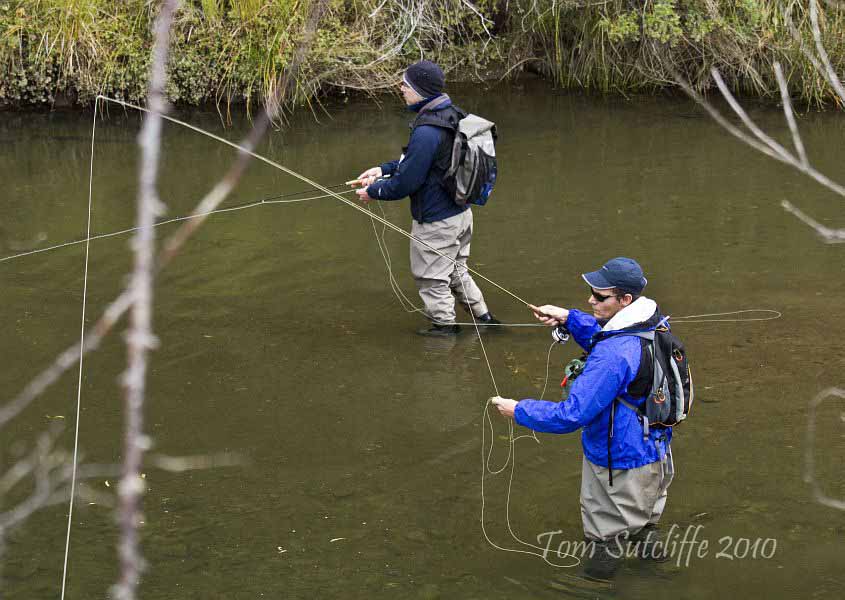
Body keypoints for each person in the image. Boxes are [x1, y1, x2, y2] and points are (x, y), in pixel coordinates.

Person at [492, 257, 674, 578]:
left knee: (603, 539)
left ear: (625, 300)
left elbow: (572, 415)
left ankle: (596, 584)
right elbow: (610, 338)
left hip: (617, 461)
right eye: (591, 292)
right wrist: (568, 318)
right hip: (657, 451)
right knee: (645, 522)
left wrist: (518, 410)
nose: (590, 299)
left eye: (600, 296)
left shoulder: (614, 354)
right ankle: (659, 575)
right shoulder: (654, 324)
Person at [350, 60, 498, 337]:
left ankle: (444, 332)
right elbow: (421, 164)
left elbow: (407, 182)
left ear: (421, 90)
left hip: (436, 222)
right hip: (461, 215)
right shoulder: (450, 113)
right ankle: (486, 320)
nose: (401, 89)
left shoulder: (427, 131)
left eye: (405, 84)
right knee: (456, 272)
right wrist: (382, 170)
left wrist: (373, 191)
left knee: (432, 279)